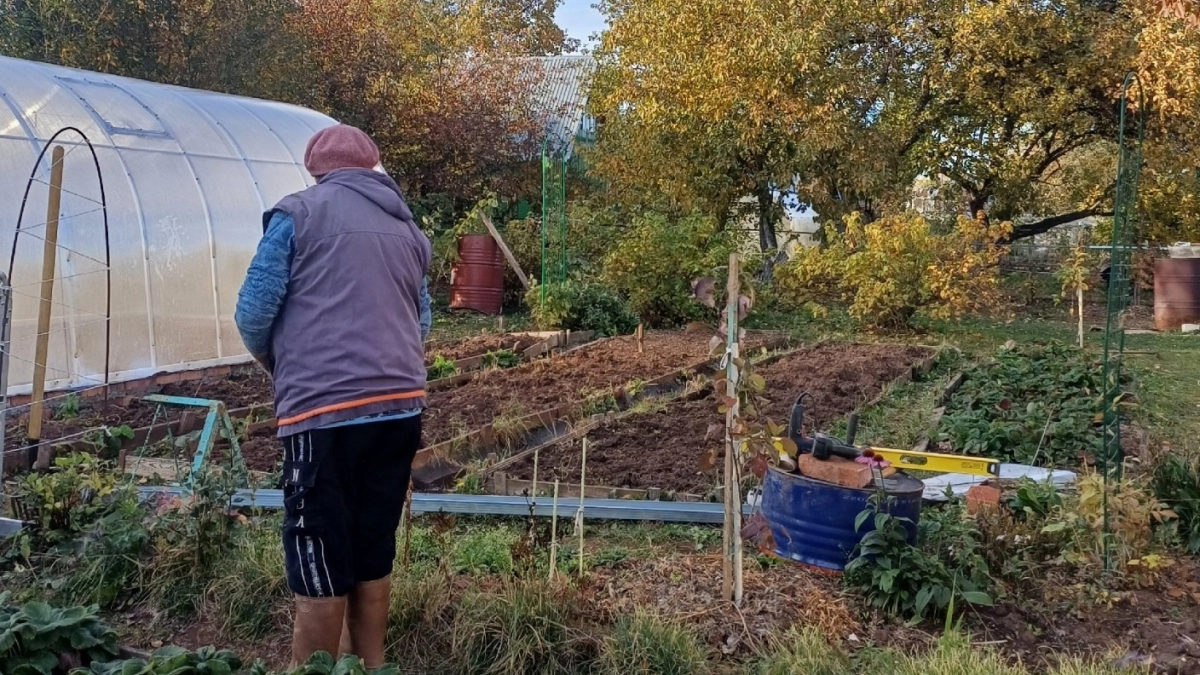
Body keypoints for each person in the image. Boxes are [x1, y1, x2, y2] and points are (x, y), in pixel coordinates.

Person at [234, 124, 432, 668]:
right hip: (400, 408)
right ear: (373, 166)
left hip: (323, 413)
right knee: (372, 546)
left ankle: (314, 672)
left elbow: (253, 313)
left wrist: (281, 364)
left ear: (316, 169)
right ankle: (370, 666)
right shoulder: (408, 228)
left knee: (316, 554)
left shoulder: (297, 215)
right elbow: (422, 321)